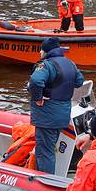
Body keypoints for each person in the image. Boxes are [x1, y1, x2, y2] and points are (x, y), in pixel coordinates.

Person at [27, 37, 83, 175]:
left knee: (45, 151)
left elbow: (35, 81)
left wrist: (38, 98)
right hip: (63, 114)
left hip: (47, 115)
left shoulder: (47, 65)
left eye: (41, 50)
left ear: (46, 51)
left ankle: (45, 183)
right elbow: (79, 81)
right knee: (51, 147)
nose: (40, 52)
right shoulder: (70, 63)